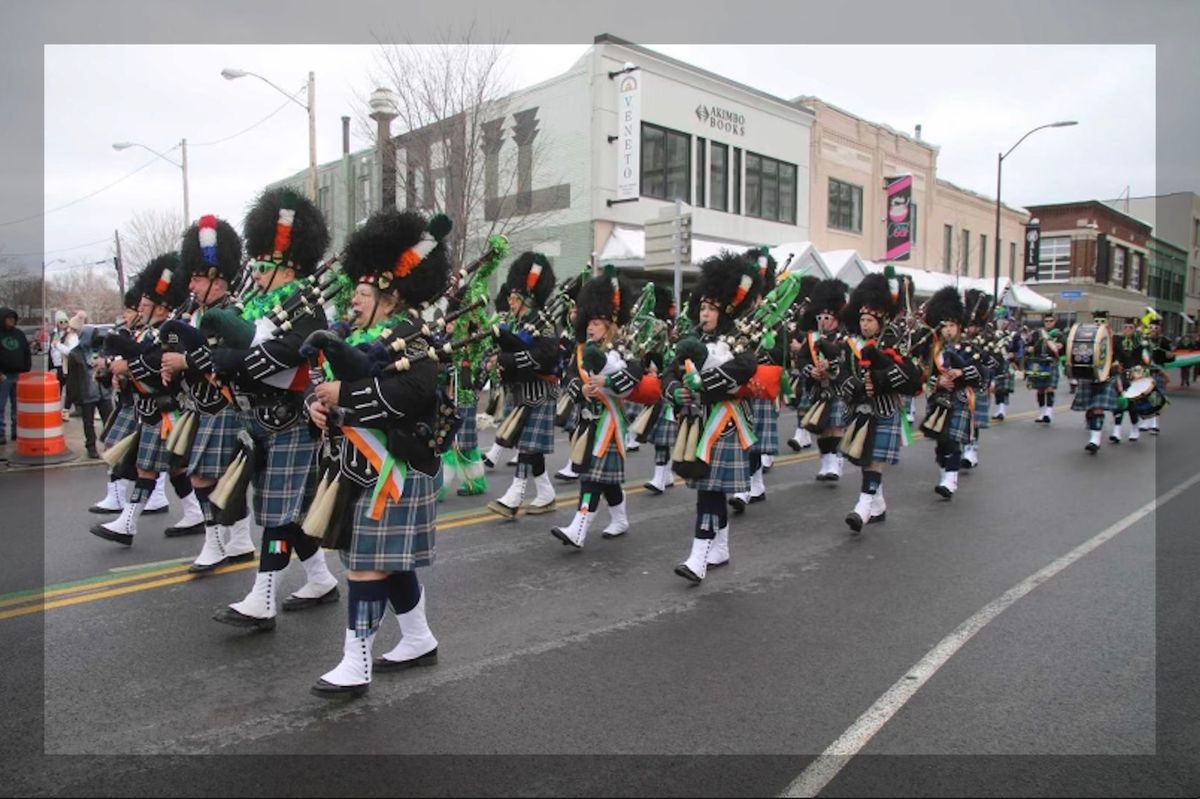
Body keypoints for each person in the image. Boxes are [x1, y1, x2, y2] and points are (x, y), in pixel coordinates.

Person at [306, 208, 451, 697]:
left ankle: (356, 661)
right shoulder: (352, 336)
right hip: (358, 466)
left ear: (389, 297)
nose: (355, 301)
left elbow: (415, 393)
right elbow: (325, 386)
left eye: (364, 294)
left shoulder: (413, 337)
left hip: (398, 466)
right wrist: (317, 407)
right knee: (388, 560)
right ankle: (418, 637)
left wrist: (344, 398)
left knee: (367, 564)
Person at [201, 188, 340, 631]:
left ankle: (263, 598)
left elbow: (278, 357)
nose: (256, 274)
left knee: (277, 517)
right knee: (290, 512)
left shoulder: (308, 308)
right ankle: (320, 579)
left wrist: (233, 360)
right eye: (256, 265)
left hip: (291, 422)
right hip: (255, 419)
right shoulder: (259, 305)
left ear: (288, 266)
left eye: (264, 266)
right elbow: (231, 352)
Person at [159, 215, 258, 574]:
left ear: (219, 280)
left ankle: (215, 543)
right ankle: (241, 539)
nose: (193, 283)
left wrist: (184, 360)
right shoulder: (195, 313)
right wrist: (170, 366)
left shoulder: (235, 311)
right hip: (202, 405)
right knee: (219, 478)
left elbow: (225, 355)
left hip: (226, 404)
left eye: (200, 277)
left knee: (203, 477)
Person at [664, 252, 760, 584]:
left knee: (708, 488)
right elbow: (669, 373)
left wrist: (703, 383)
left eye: (711, 308)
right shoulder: (693, 339)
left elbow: (746, 367)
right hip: (698, 420)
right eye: (702, 308)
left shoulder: (739, 339)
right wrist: (676, 391)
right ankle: (720, 546)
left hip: (726, 421)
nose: (704, 313)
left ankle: (699, 555)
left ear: (725, 310)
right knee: (711, 489)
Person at [89, 255, 195, 546]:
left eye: (146, 306)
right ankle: (196, 512)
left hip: (166, 409)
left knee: (148, 467)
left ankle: (127, 522)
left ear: (161, 307)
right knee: (176, 468)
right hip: (148, 408)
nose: (140, 310)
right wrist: (117, 370)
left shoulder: (172, 330)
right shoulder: (151, 330)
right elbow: (143, 357)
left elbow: (159, 363)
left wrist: (127, 366)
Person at [550, 268, 641, 547]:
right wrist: (583, 389)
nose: (591, 327)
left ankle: (579, 527)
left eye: (598, 322)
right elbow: (570, 379)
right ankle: (621, 518)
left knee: (591, 476)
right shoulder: (581, 349)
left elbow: (633, 379)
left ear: (611, 323)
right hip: (588, 420)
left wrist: (608, 380)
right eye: (590, 321)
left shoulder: (624, 347)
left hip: (610, 422)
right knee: (606, 480)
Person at [836, 273, 921, 532]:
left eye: (870, 320)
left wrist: (881, 378)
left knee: (873, 458)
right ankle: (878, 503)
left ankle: (863, 506)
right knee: (866, 459)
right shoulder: (850, 344)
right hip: (860, 407)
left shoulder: (892, 343)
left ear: (880, 320)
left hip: (884, 407)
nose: (864, 324)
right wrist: (858, 387)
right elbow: (842, 374)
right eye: (862, 319)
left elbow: (911, 376)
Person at [485, 252, 560, 520]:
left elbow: (547, 356)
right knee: (528, 446)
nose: (510, 302)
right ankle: (546, 494)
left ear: (527, 298)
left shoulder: (544, 321)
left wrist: (508, 358)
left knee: (527, 445)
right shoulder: (514, 322)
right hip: (520, 390)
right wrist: (493, 362)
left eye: (515, 298)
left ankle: (515, 495)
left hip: (541, 390)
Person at [729, 248, 785, 512]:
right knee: (741, 436)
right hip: (739, 384)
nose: (756, 301)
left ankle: (748, 484)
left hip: (760, 384)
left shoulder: (775, 321)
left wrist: (768, 344)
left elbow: (780, 355)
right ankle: (754, 482)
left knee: (753, 439)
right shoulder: (735, 320)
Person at [921, 287, 986, 501]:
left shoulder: (969, 348)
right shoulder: (935, 351)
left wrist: (961, 372)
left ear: (959, 326)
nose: (948, 330)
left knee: (953, 440)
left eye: (951, 325)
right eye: (945, 326)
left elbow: (982, 373)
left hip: (960, 398)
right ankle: (945, 474)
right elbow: (927, 375)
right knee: (941, 444)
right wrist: (938, 381)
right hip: (939, 399)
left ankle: (950, 480)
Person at [793, 279, 850, 481]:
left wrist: (832, 368)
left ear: (836, 318)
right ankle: (826, 462)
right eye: (820, 317)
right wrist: (811, 371)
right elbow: (801, 359)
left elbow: (848, 363)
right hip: (818, 387)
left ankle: (835, 461)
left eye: (827, 317)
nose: (823, 321)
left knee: (836, 426)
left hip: (838, 388)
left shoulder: (845, 339)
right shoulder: (812, 339)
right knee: (822, 427)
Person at [1069, 311, 1121, 454]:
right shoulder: (1087, 337)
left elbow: (1122, 356)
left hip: (1107, 377)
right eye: (1097, 321)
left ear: (1107, 322)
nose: (1099, 323)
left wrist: (1117, 364)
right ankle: (1094, 432)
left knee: (1098, 407)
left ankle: (1094, 440)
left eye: (1102, 321)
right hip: (1089, 376)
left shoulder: (1115, 339)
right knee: (1091, 409)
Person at [64, 324, 108, 458]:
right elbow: (71, 380)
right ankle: (91, 447)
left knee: (109, 420)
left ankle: (111, 446)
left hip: (104, 391)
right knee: (88, 423)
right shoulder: (75, 354)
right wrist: (69, 402)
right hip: (86, 393)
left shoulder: (102, 351)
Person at [0, 306, 33, 444]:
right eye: (8, 318)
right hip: (3, 376)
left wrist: (26, 369)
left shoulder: (19, 334)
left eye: (13, 319)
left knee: (18, 406)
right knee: (1, 406)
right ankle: (1, 433)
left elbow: (26, 352)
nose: (11, 321)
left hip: (19, 375)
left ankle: (16, 431)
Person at [1026, 315, 1063, 424]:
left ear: (1054, 321)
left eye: (1050, 321)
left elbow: (1063, 346)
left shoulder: (1059, 334)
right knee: (1040, 389)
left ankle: (1049, 412)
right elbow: (1029, 345)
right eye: (1046, 321)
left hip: (1051, 362)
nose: (1048, 323)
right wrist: (1029, 348)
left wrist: (1059, 346)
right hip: (1038, 363)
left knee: (1050, 387)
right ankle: (1041, 413)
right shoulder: (1037, 333)